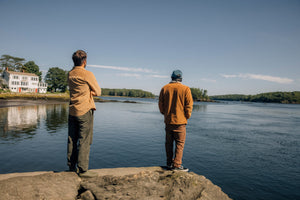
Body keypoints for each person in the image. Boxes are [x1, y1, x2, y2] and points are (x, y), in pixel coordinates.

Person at [67, 50, 101, 177]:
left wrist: (86, 91)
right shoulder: (87, 74)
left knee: (72, 139)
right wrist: (89, 92)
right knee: (84, 140)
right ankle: (82, 169)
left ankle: (71, 166)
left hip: (72, 110)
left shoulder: (70, 74)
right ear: (85, 61)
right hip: (84, 110)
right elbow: (98, 91)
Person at [159, 70, 193, 171]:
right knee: (180, 144)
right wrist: (186, 116)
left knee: (168, 144)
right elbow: (189, 105)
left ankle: (169, 164)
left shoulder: (165, 88)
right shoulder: (185, 89)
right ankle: (177, 165)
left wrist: (165, 114)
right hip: (180, 122)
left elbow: (161, 105)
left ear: (171, 77)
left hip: (168, 121)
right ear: (181, 78)